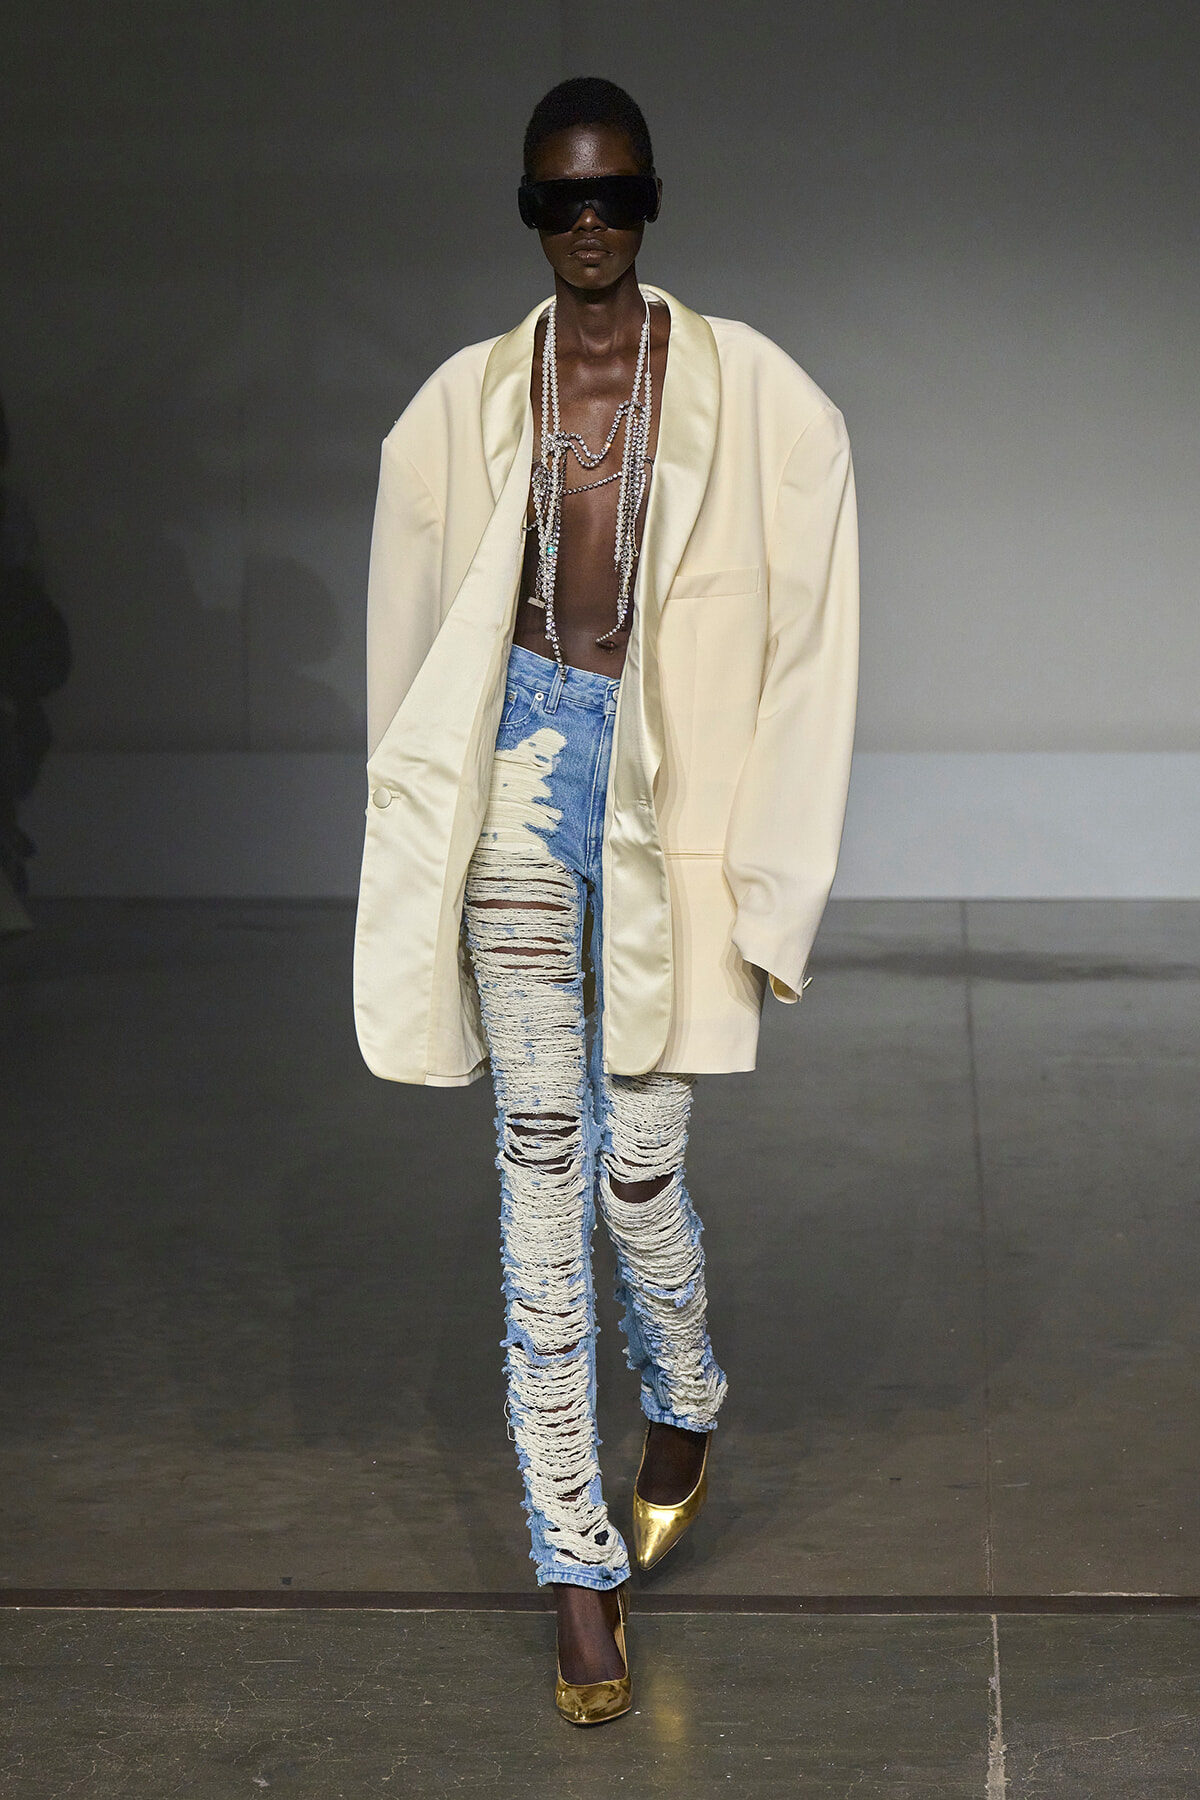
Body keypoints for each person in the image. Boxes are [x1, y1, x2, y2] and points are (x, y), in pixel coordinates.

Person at [354, 77, 858, 1724]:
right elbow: (408, 653)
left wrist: (776, 888)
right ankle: (575, 1564)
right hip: (516, 780)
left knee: (642, 1172)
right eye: (556, 202)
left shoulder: (769, 404)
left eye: (614, 197)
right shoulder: (451, 409)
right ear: (523, 209)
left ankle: (691, 1385)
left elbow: (814, 662)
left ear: (651, 202)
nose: (586, 226)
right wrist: (419, 856)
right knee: (540, 1176)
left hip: (661, 806)